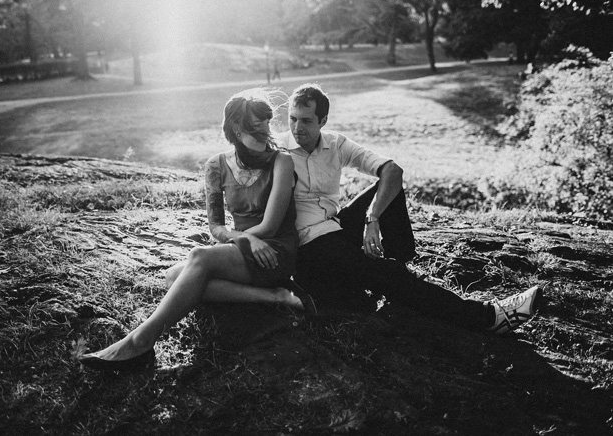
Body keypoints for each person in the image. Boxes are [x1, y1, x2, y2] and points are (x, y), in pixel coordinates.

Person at [79, 89, 315, 372]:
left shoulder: (282, 162)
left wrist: (248, 239)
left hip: (273, 249)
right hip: (243, 246)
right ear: (237, 130)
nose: (266, 130)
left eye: (267, 122)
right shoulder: (216, 165)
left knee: (199, 259)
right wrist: (242, 238)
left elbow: (271, 225)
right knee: (174, 276)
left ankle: (140, 341)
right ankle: (274, 296)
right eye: (256, 126)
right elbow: (216, 226)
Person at [279, 83, 543, 334]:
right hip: (309, 247)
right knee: (384, 275)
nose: (297, 128)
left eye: (306, 121)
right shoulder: (278, 151)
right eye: (292, 119)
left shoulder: (335, 143)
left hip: (335, 226)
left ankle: (400, 262)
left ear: (322, 121)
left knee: (390, 189)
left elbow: (392, 170)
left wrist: (373, 218)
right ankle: (487, 318)